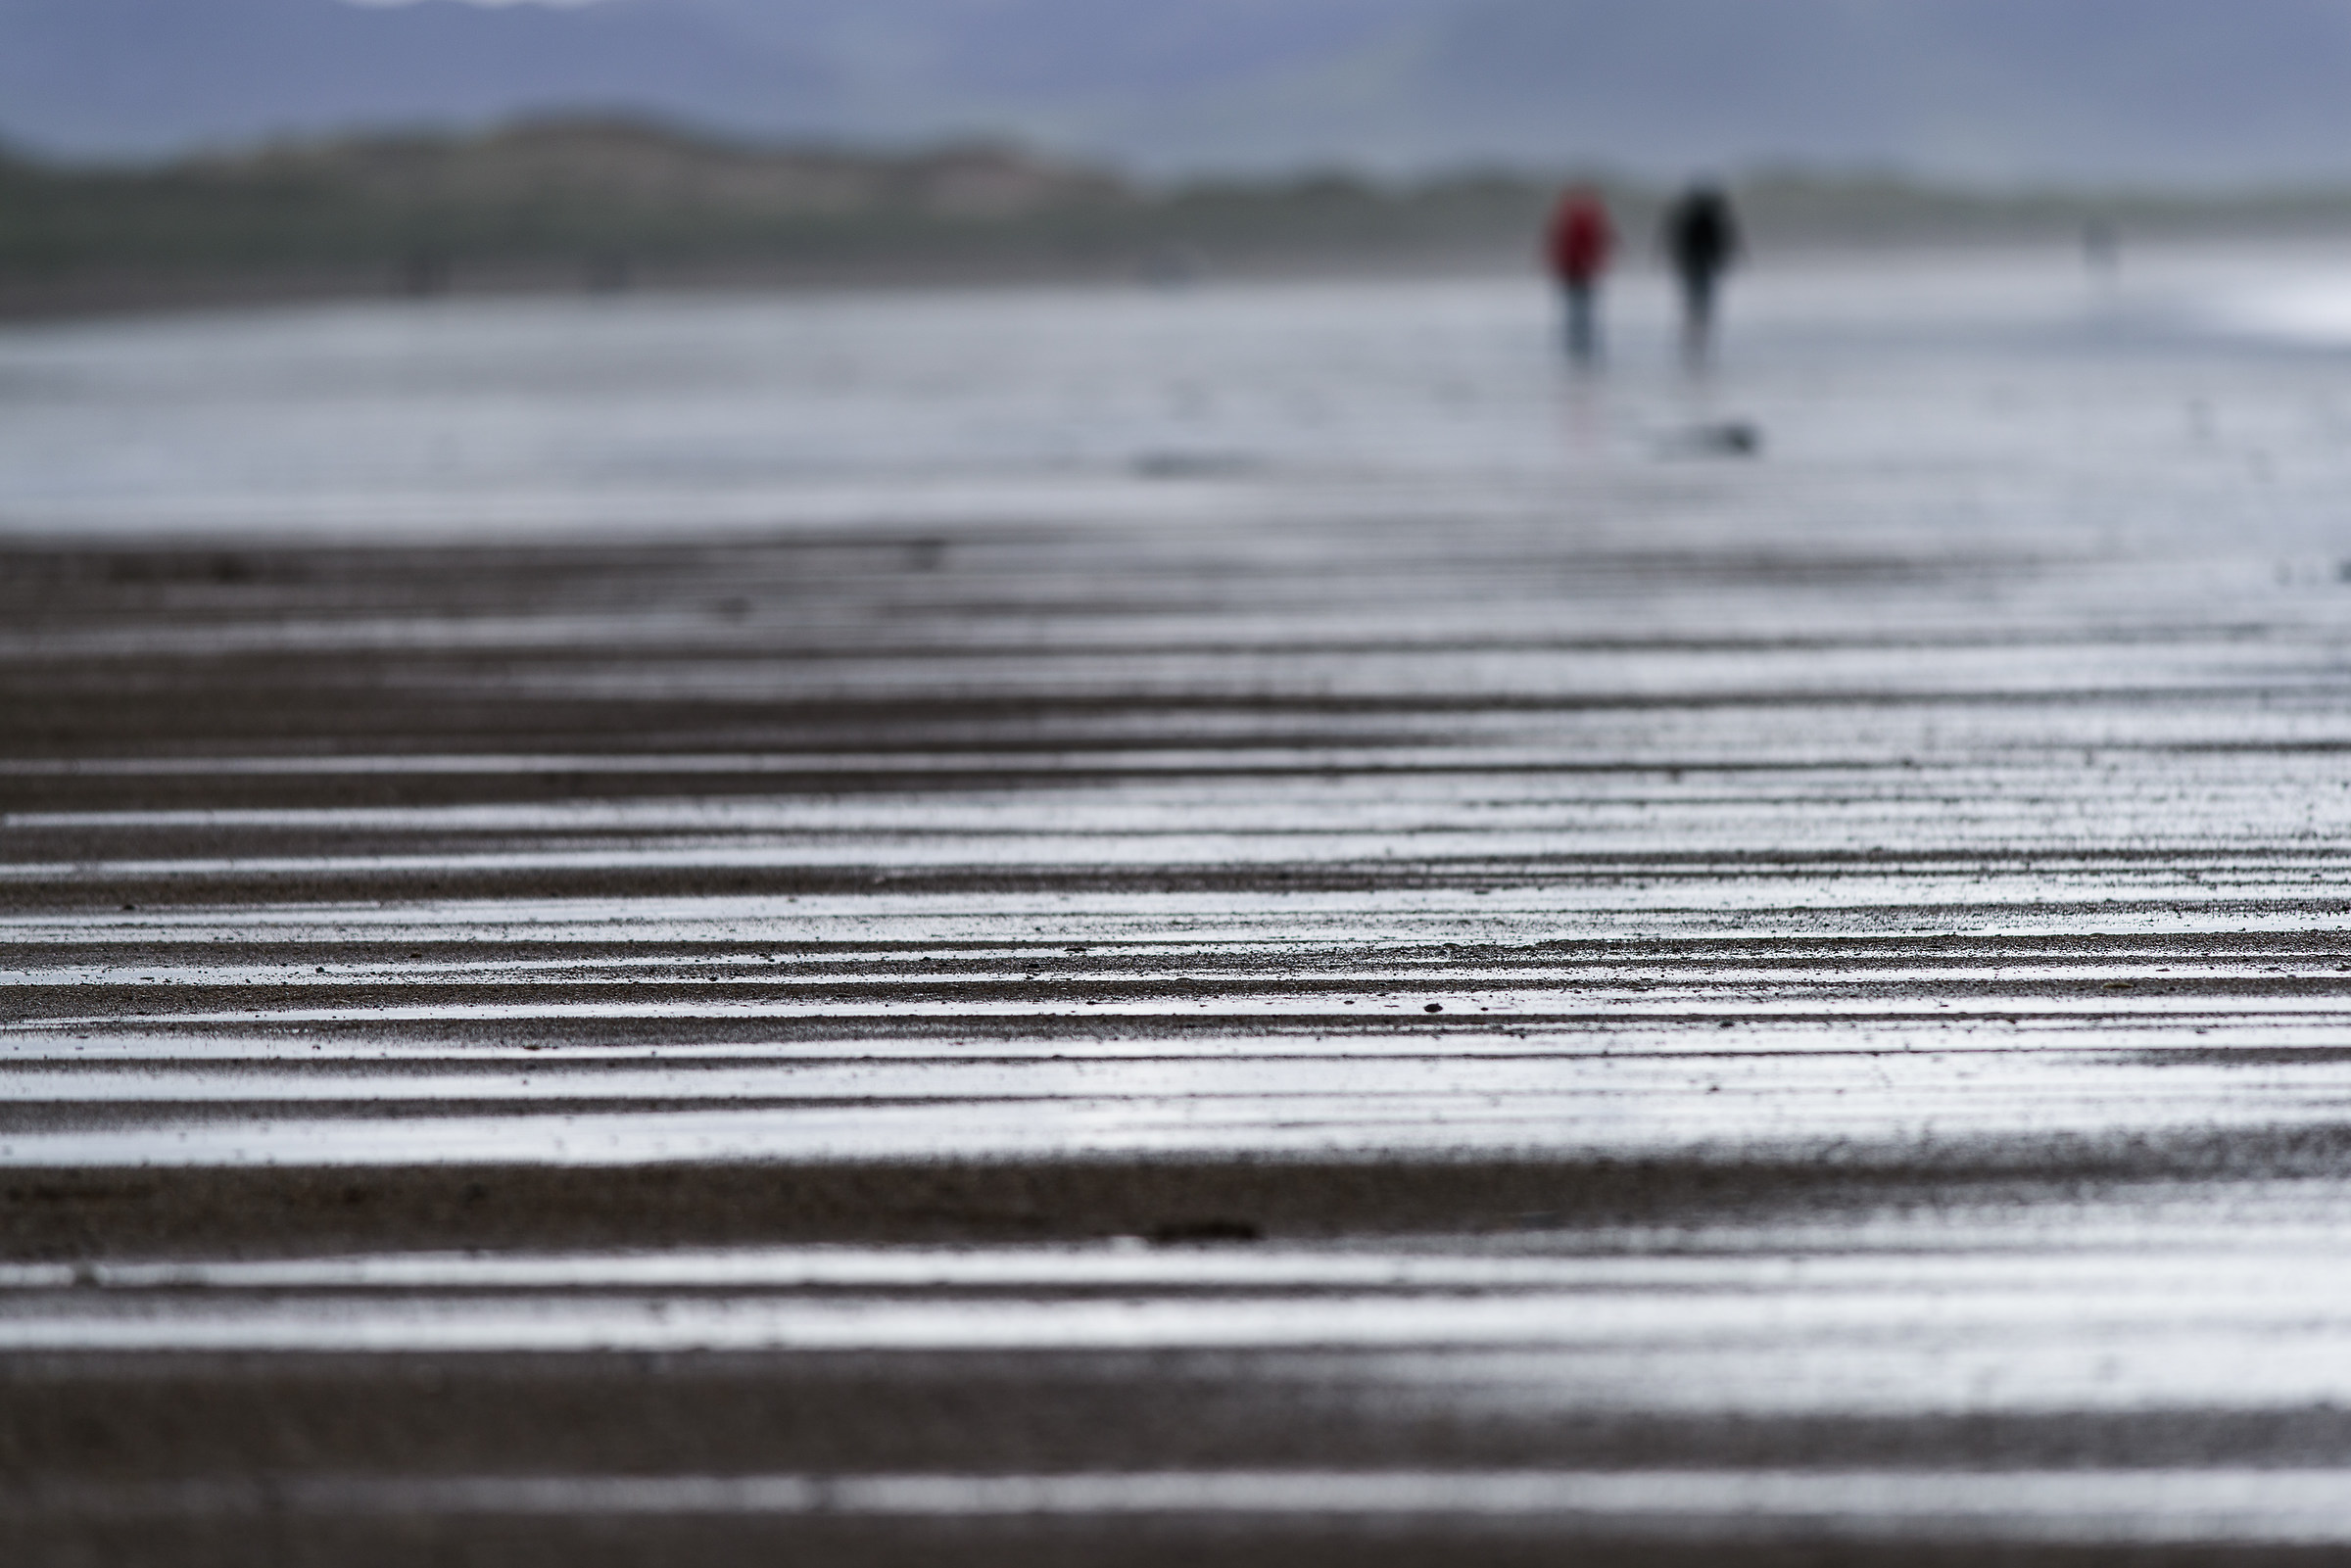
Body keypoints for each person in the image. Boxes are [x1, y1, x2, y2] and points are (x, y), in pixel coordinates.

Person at [1663, 183, 1741, 365]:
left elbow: (1676, 243)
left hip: (1693, 268)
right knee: (1702, 304)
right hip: (1703, 268)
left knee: (1694, 304)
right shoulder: (1712, 219)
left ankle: (1695, 334)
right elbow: (1723, 243)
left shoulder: (1686, 218)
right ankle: (1700, 335)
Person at [1545, 186, 1614, 362]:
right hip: (1578, 269)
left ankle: (1578, 338)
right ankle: (1580, 338)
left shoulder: (1569, 220)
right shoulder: (1587, 220)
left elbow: (1556, 244)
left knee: (1577, 305)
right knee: (1581, 305)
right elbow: (1603, 241)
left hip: (1575, 269)